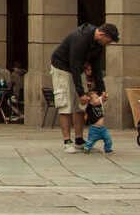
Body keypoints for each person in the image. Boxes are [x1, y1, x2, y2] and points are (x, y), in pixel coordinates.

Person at [50, 22, 119, 153]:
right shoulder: (80, 38)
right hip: (62, 67)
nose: (108, 43)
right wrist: (80, 93)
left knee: (81, 105)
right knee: (65, 103)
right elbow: (74, 66)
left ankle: (79, 139)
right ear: (102, 34)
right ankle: (67, 141)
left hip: (78, 68)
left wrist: (101, 90)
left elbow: (97, 68)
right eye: (108, 41)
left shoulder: (98, 45)